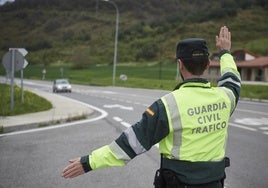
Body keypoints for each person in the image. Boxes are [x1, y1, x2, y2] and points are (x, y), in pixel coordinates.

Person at [62, 26, 241, 188]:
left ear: (179, 64)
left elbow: (130, 143)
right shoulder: (225, 97)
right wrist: (225, 52)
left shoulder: (167, 105)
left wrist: (89, 162)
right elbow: (232, 79)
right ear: (208, 64)